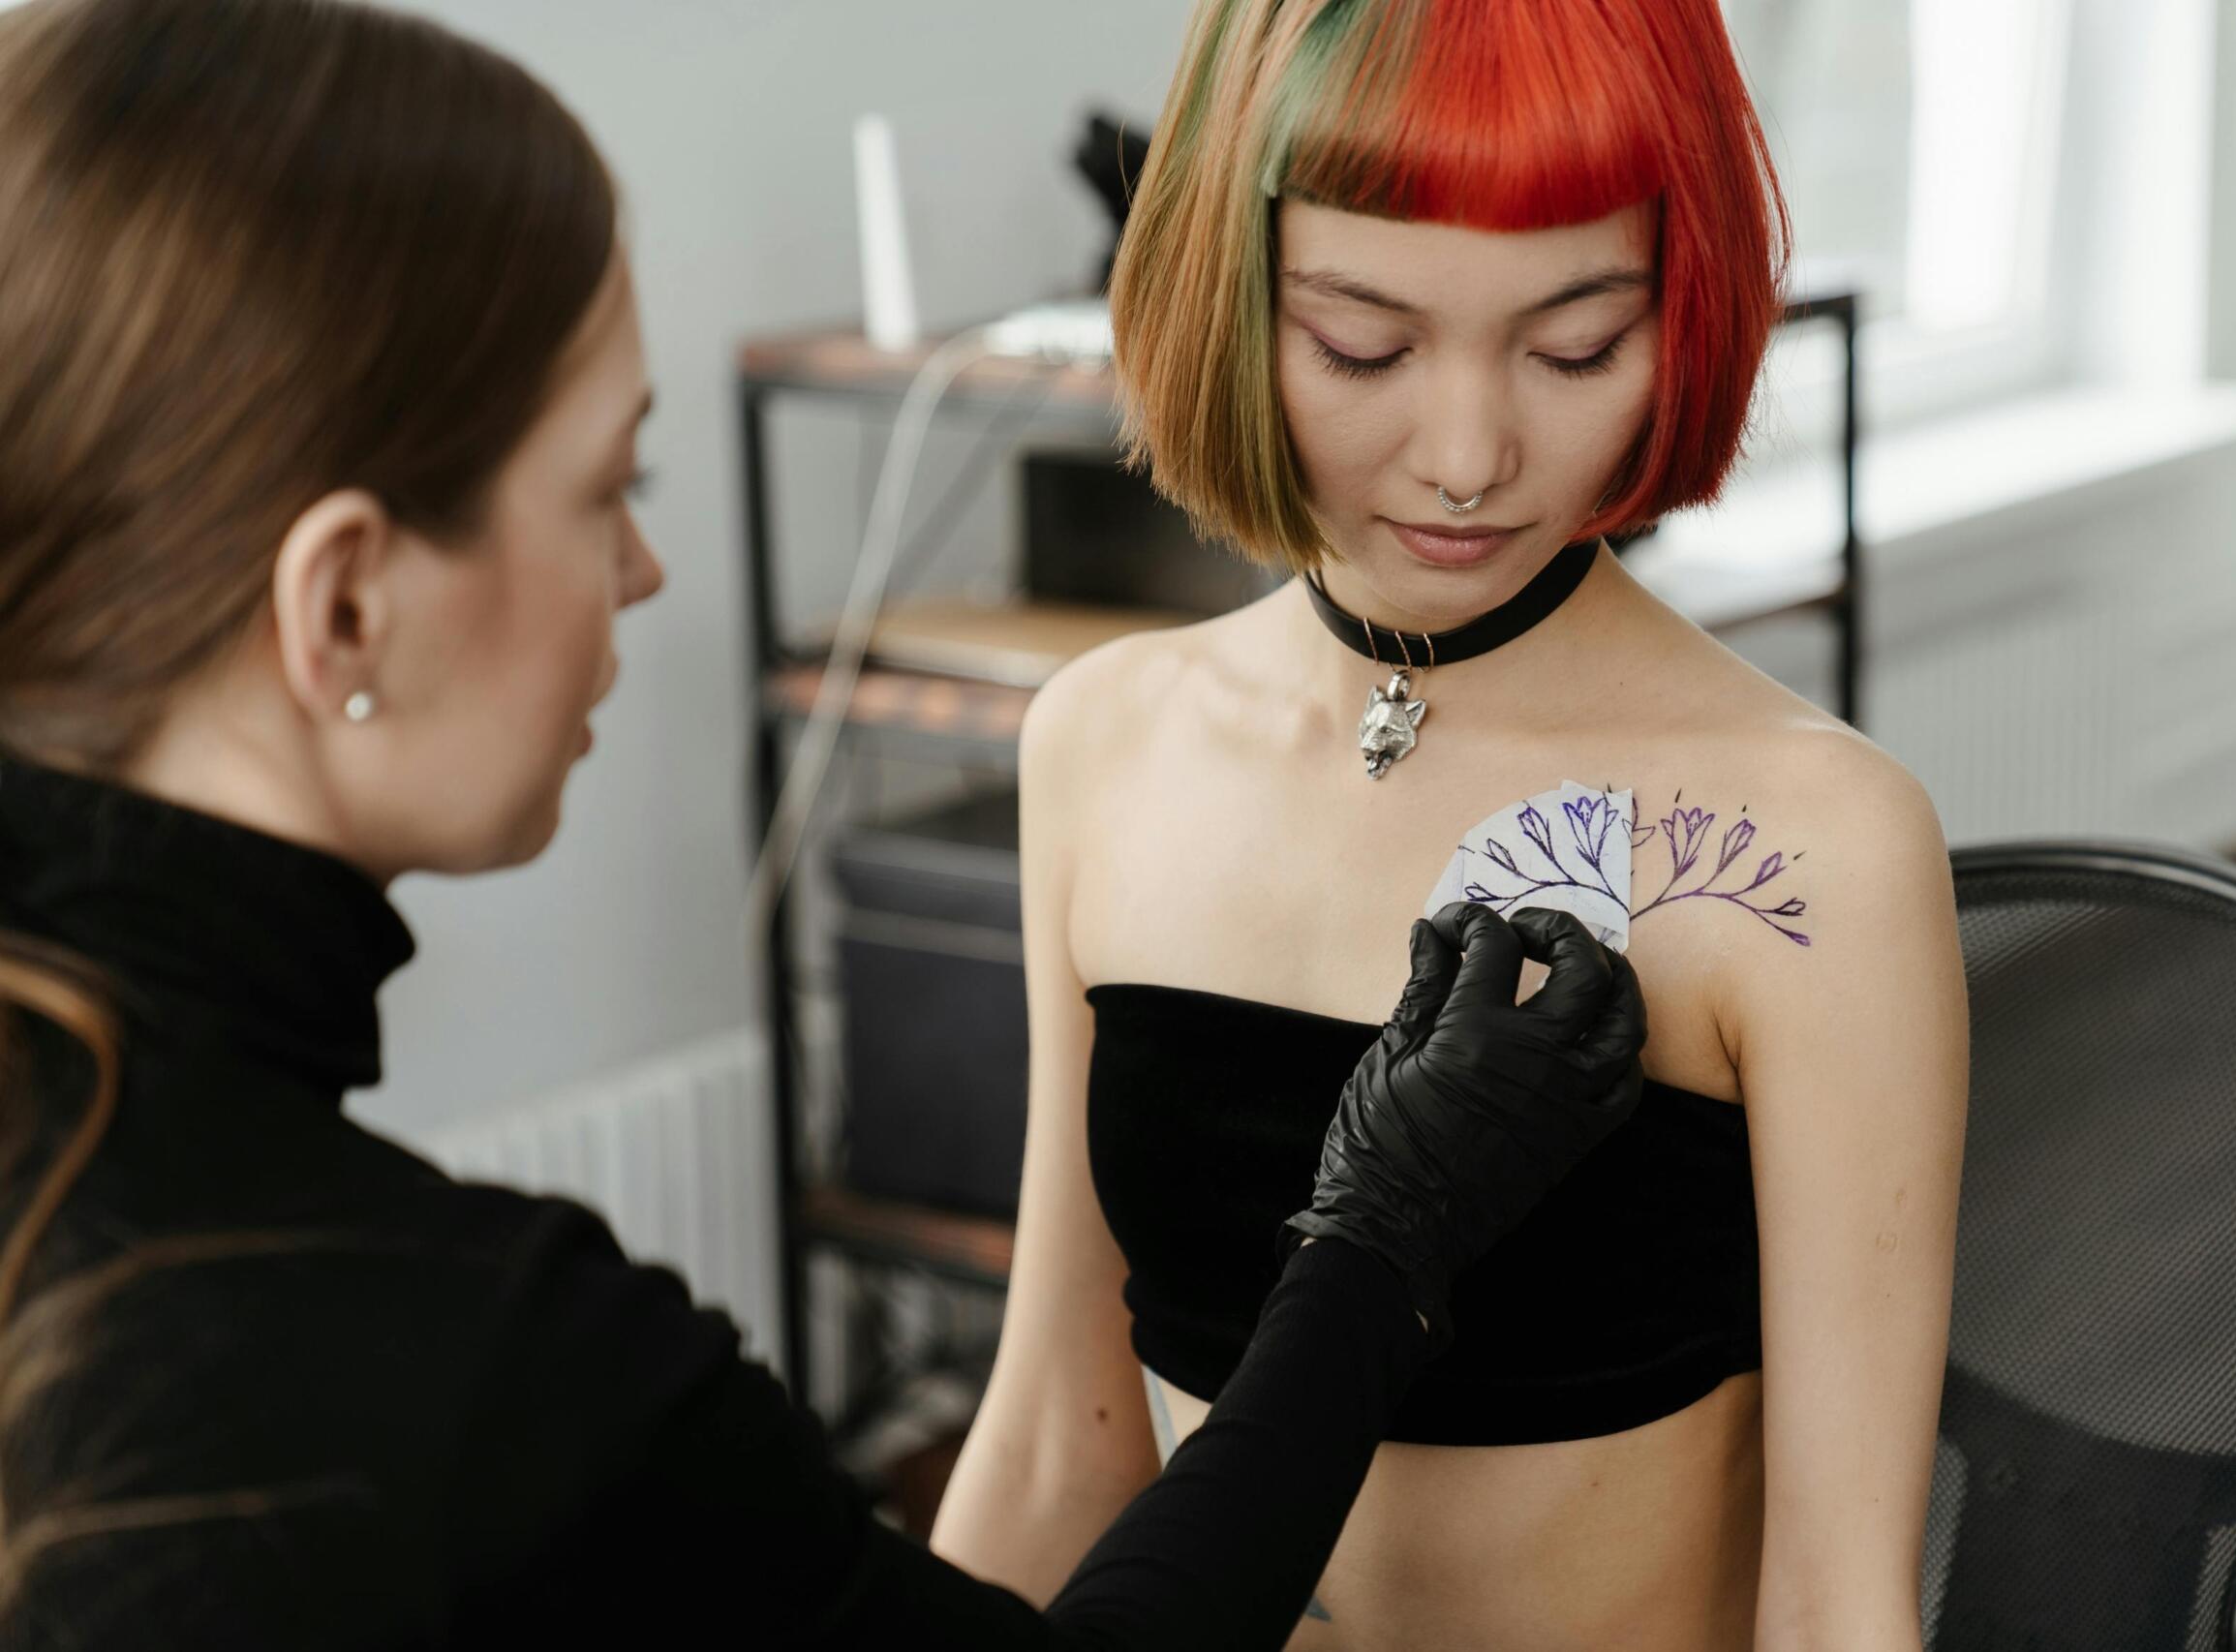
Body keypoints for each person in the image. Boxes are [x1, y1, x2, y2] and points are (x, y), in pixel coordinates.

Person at [0, 1, 1666, 1646]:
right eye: (610, 493)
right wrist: (1379, 1243)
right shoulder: (471, 1374)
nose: (644, 573)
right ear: (346, 605)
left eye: (1573, 339)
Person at [930, 2, 1975, 1648]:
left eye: (1575, 348)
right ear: (1231, 295)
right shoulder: (1107, 741)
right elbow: (1066, 1436)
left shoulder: (1818, 844)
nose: (1470, 457)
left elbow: (1839, 1605)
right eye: (1363, 346)